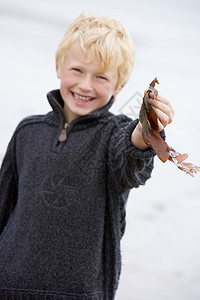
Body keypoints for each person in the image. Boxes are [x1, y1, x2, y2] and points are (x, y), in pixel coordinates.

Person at [0, 14, 174, 300]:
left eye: (101, 77)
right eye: (77, 70)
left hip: (79, 291)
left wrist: (146, 131)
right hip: (7, 283)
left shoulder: (114, 135)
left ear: (119, 85)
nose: (85, 85)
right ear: (59, 66)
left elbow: (130, 162)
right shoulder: (27, 132)